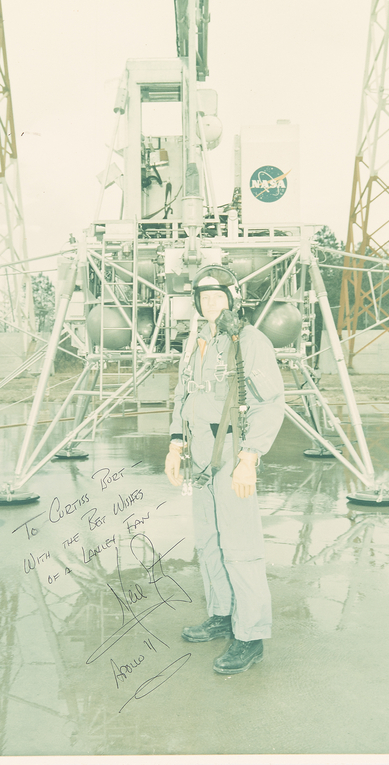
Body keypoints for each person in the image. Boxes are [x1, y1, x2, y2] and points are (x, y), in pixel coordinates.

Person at [165, 265, 285, 674]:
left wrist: (249, 458)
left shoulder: (249, 341)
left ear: (233, 298)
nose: (211, 302)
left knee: (240, 546)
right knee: (209, 540)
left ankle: (250, 636)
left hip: (232, 451)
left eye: (218, 295)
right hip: (199, 452)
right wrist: (175, 444)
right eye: (204, 297)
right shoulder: (197, 340)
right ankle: (222, 613)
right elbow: (183, 394)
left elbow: (270, 403)